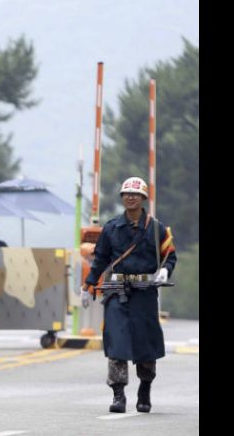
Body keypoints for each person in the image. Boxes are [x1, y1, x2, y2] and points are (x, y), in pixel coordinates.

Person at [80, 176, 176, 414]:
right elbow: (100, 259)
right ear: (122, 198)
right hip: (117, 292)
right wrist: (87, 286)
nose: (130, 197)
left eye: (135, 194)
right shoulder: (111, 228)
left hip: (144, 294)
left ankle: (145, 387)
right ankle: (118, 394)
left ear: (143, 198)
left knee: (146, 344)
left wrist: (164, 270)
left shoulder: (156, 228)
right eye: (126, 194)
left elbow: (170, 255)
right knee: (116, 343)